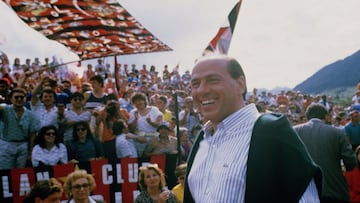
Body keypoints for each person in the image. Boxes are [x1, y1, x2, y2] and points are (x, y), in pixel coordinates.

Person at [184, 55, 322, 202]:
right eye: (195, 84)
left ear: (240, 84)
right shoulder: (202, 138)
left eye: (213, 80)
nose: (202, 90)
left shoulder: (271, 132)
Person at [294, 103, 356, 202]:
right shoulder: (337, 132)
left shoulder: (295, 131)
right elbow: (351, 162)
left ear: (307, 116)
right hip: (333, 188)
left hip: (305, 191)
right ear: (326, 116)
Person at [0, 88, 40, 170]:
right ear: (11, 99)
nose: (19, 99)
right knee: (5, 171)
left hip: (22, 145)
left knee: (20, 172)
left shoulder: (30, 115)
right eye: (16, 97)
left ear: (25, 99)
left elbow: (32, 134)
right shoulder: (5, 109)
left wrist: (31, 151)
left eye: (22, 97)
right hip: (6, 144)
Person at [128, 92, 163, 157]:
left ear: (144, 100)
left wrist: (150, 122)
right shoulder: (132, 112)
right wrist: (135, 119)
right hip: (139, 140)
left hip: (153, 139)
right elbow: (131, 129)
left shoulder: (154, 109)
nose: (138, 103)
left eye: (140, 100)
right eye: (136, 101)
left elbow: (158, 124)